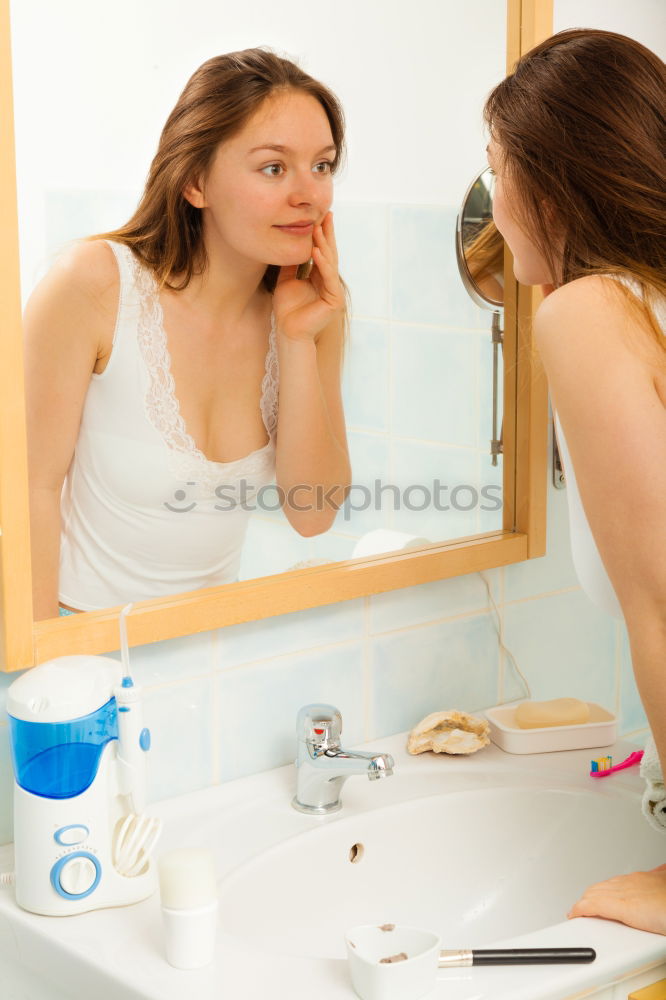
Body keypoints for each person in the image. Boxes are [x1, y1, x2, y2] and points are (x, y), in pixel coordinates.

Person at [24, 48, 351, 620]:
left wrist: (297, 341)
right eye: (274, 167)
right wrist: (50, 666)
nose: (309, 194)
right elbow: (28, 491)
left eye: (322, 165)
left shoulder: (312, 310)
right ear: (195, 181)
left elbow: (312, 513)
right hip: (80, 644)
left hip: (208, 656)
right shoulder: (94, 284)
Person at [484, 28, 666, 934]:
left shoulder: (590, 312)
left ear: (546, 186)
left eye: (495, 169)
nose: (491, 201)